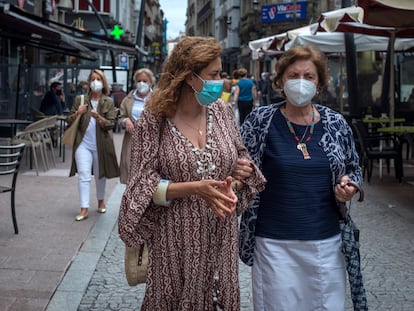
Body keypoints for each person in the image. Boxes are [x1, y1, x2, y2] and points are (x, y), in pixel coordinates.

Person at [118, 36, 266, 310]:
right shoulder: (155, 119)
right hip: (173, 238)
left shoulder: (221, 111)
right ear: (189, 76)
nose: (220, 81)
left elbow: (240, 154)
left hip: (220, 235)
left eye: (220, 73)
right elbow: (140, 185)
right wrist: (194, 188)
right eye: (214, 74)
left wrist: (241, 172)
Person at [239, 45, 366, 310]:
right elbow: (239, 167)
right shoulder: (260, 121)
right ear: (280, 80)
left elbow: (354, 167)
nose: (300, 82)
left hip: (325, 241)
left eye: (309, 76)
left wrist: (349, 186)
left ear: (319, 84)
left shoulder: (335, 123)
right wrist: (238, 172)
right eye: (293, 75)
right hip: (274, 242)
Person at [67, 69, 120, 221]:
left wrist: (98, 117)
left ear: (103, 83)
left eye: (98, 79)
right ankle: (84, 208)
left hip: (101, 144)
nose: (95, 82)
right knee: (83, 176)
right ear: (89, 83)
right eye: (93, 79)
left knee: (99, 174)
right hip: (82, 144)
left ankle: (101, 200)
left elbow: (110, 124)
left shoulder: (108, 101)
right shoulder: (81, 99)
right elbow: (69, 119)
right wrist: (78, 112)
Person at [118, 68, 155, 184]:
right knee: (131, 175)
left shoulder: (158, 99)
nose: (141, 84)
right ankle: (132, 200)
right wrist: (125, 121)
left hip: (151, 142)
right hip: (132, 141)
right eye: (139, 81)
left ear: (151, 82)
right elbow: (120, 118)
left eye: (145, 81)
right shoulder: (128, 99)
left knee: (149, 176)